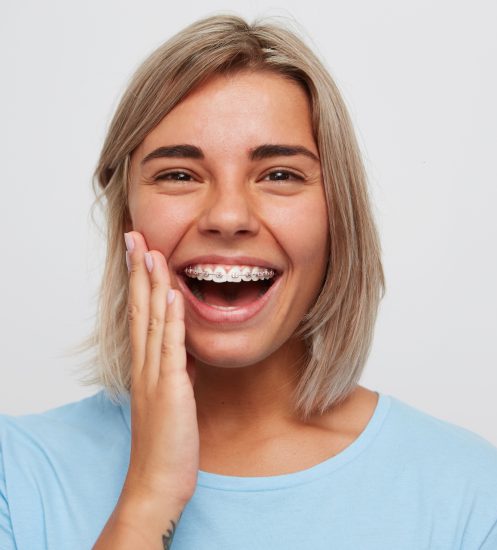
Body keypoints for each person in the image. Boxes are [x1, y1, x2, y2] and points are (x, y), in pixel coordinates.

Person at [1, 13, 496, 550]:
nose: (229, 216)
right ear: (128, 217)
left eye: (280, 175)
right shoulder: (16, 475)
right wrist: (150, 496)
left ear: (338, 217)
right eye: (179, 175)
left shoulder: (472, 494)